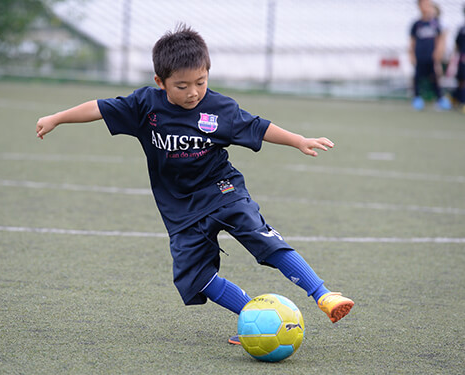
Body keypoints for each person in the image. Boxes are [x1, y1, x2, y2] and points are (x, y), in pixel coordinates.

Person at [36, 25, 354, 345]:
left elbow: (258, 127)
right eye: (182, 85)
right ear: (160, 82)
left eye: (201, 82)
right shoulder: (145, 105)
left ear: (208, 74)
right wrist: (57, 117)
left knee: (260, 236)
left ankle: (323, 294)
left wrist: (299, 140)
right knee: (194, 279)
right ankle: (256, 319)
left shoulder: (219, 109)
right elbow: (99, 108)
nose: (193, 92)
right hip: (180, 209)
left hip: (222, 190)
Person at [409, 0, 451, 110]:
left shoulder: (436, 23)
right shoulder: (416, 24)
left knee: (434, 78)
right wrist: (411, 54)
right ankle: (417, 98)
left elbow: (440, 39)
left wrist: (438, 54)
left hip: (432, 57)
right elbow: (412, 42)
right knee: (417, 78)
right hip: (420, 57)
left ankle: (440, 98)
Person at [452, 5, 465, 111]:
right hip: (462, 59)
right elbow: (457, 45)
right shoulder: (461, 28)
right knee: (461, 80)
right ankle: (459, 100)